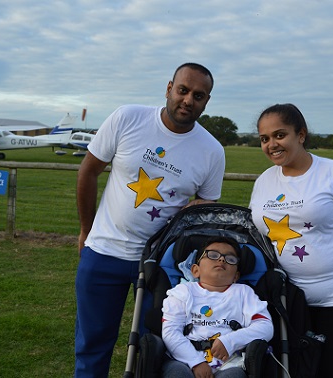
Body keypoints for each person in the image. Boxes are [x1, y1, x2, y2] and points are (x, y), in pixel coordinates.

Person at [75, 63, 225, 377]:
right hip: (104, 252)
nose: (187, 100)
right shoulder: (127, 118)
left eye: (198, 96)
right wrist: (85, 230)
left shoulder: (212, 150)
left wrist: (191, 209)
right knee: (92, 345)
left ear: (206, 101)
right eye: (183, 90)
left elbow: (206, 206)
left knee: (155, 348)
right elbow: (88, 172)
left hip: (162, 265)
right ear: (169, 87)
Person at [248, 103, 333, 378]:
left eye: (280, 135)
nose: (272, 144)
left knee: (331, 372)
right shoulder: (264, 181)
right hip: (287, 301)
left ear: (301, 134)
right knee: (290, 371)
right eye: (264, 138)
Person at [161, 236, 273, 378]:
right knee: (176, 373)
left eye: (230, 259)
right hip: (185, 359)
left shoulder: (244, 293)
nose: (221, 260)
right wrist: (196, 362)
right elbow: (171, 332)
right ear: (195, 270)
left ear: (236, 276)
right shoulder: (183, 292)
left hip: (230, 363)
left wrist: (229, 341)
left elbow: (265, 327)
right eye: (213, 255)